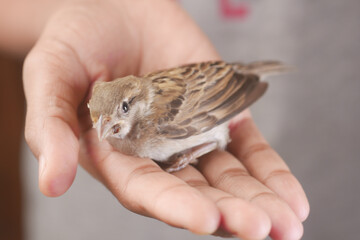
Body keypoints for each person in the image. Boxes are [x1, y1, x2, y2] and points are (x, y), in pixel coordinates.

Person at [0, 0, 309, 239]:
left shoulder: (158, 119)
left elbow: (215, 122)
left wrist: (188, 153)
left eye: (121, 110)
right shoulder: (110, 120)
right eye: (99, 119)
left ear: (136, 102)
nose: (105, 128)